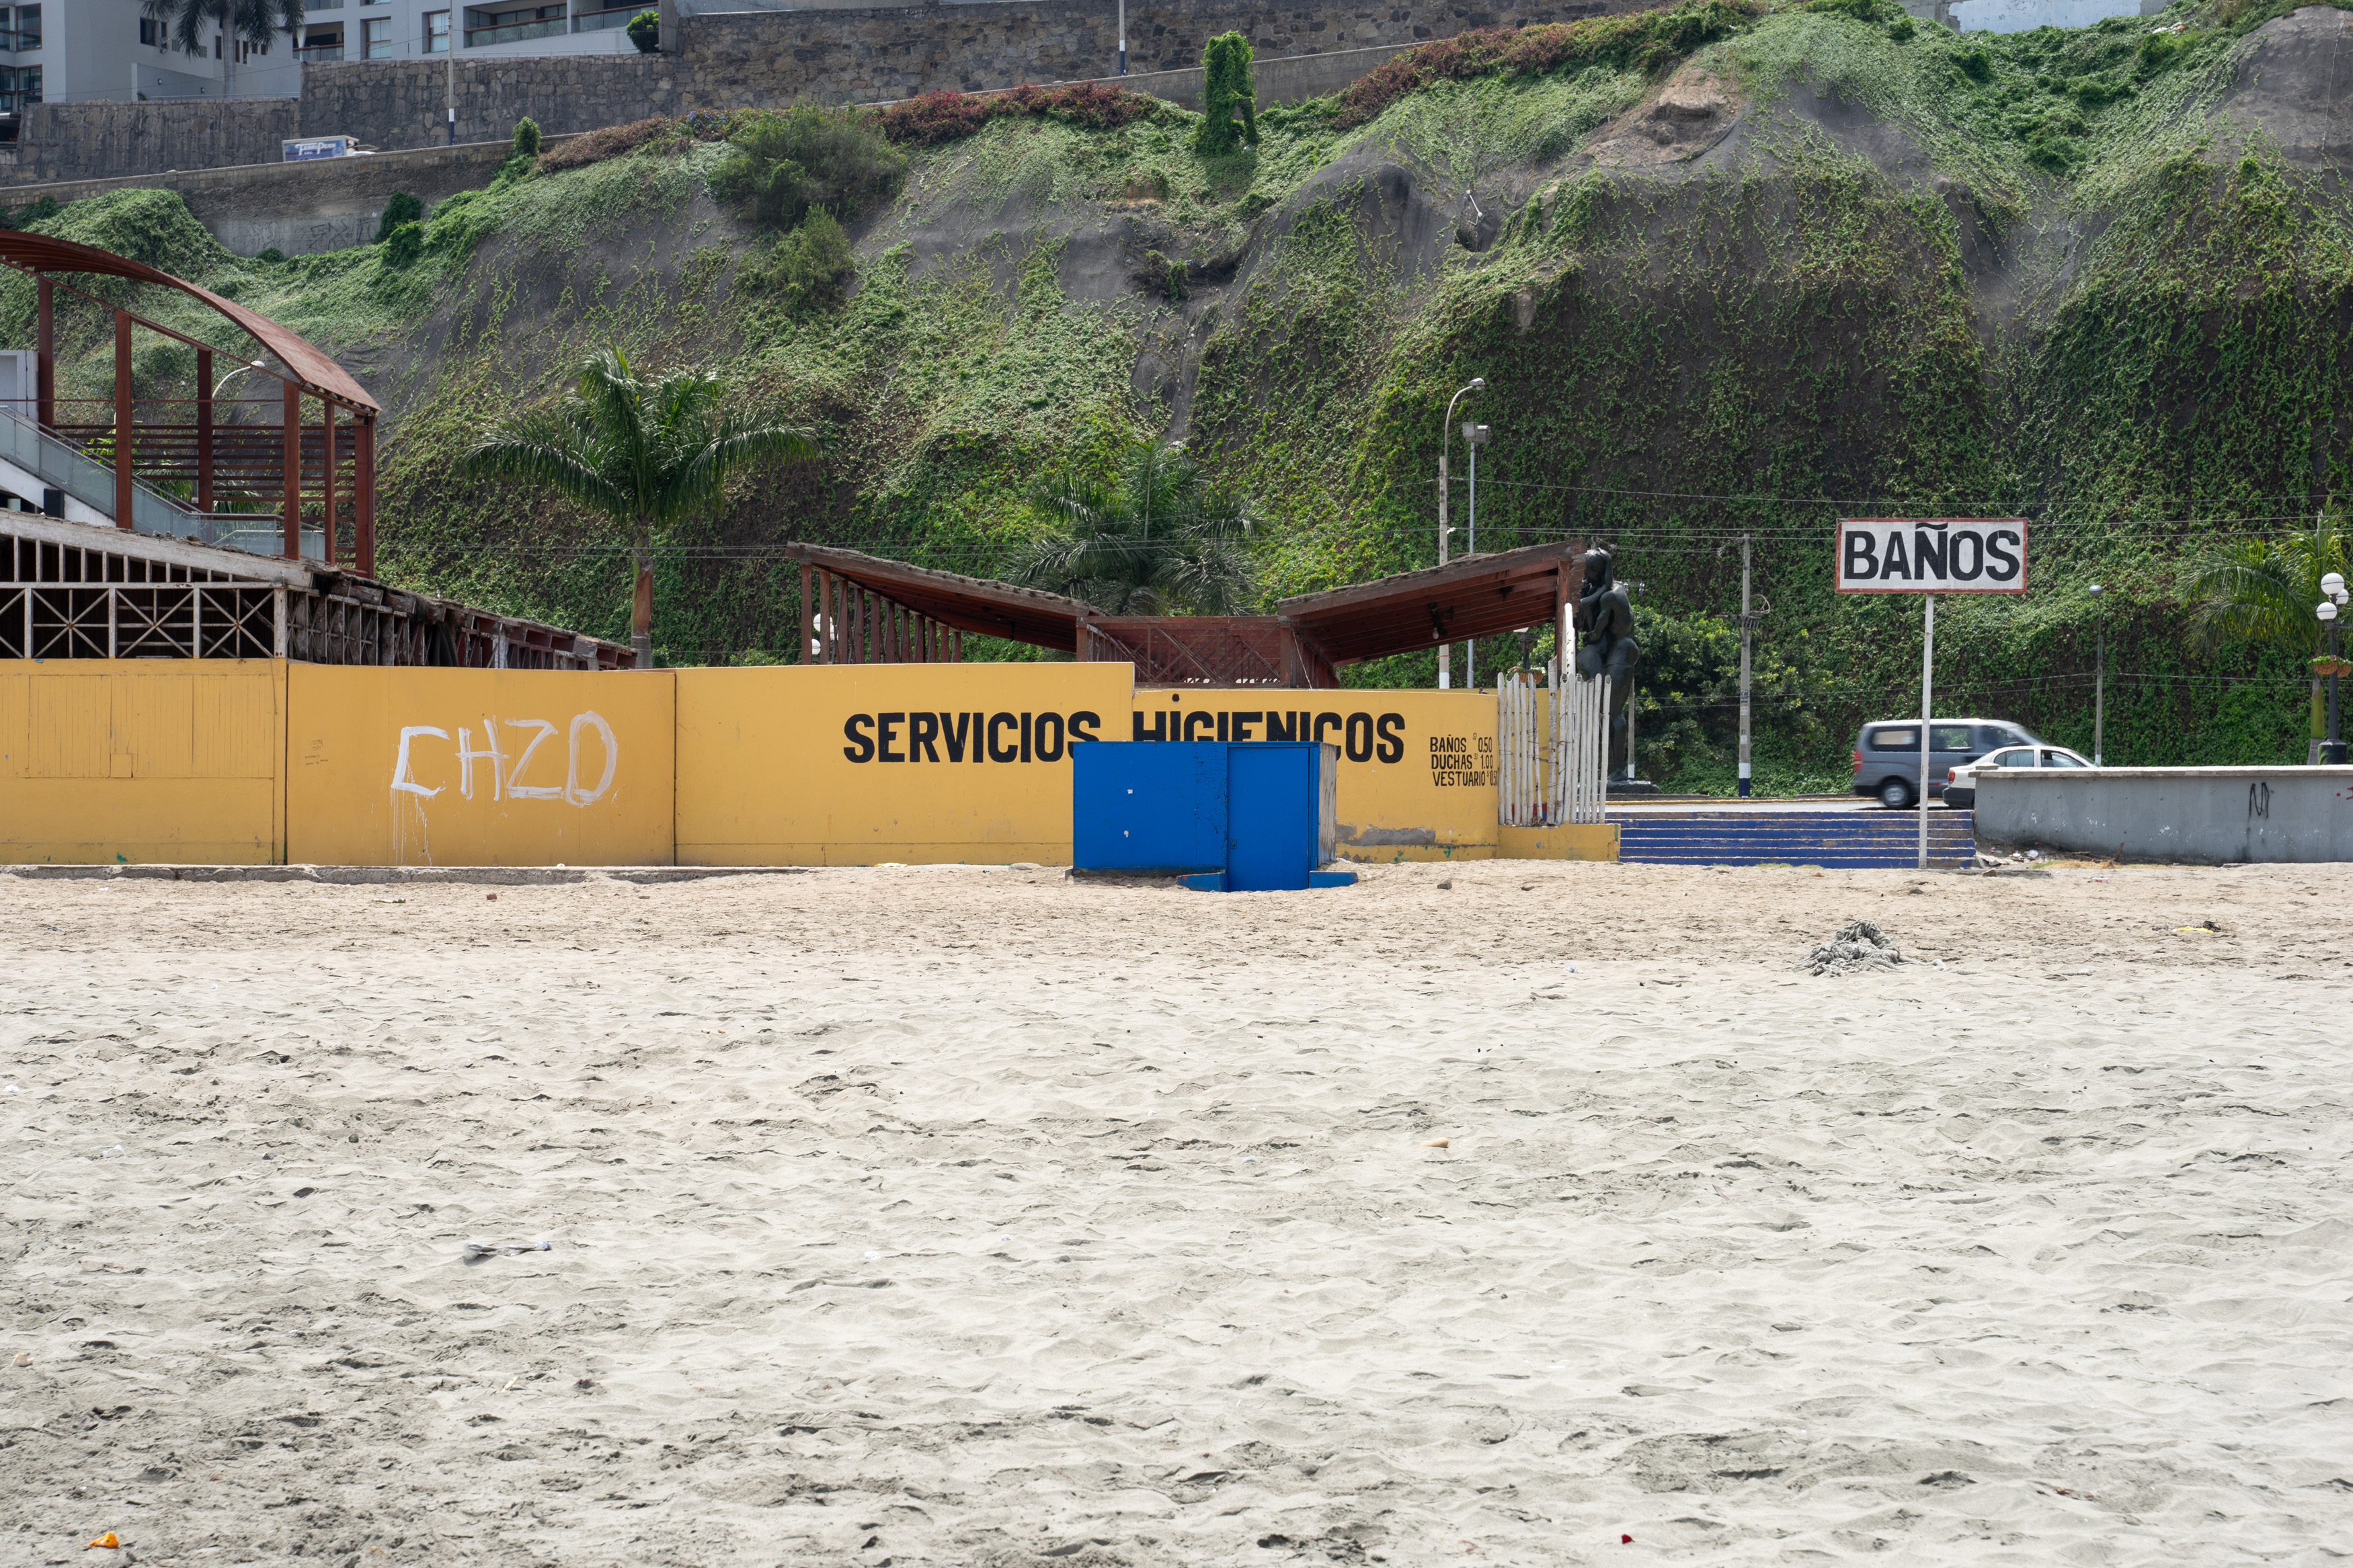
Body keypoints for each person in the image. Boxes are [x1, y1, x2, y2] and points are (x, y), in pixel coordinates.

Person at [1573, 546, 1638, 778]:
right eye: (1586, 569)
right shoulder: (1594, 589)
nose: (1588, 574)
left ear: (1604, 570)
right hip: (1602, 649)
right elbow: (1584, 624)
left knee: (1613, 710)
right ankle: (1598, 766)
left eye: (1593, 569)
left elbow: (1597, 629)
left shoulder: (1613, 593)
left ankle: (1619, 769)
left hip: (1621, 648)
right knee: (1599, 709)